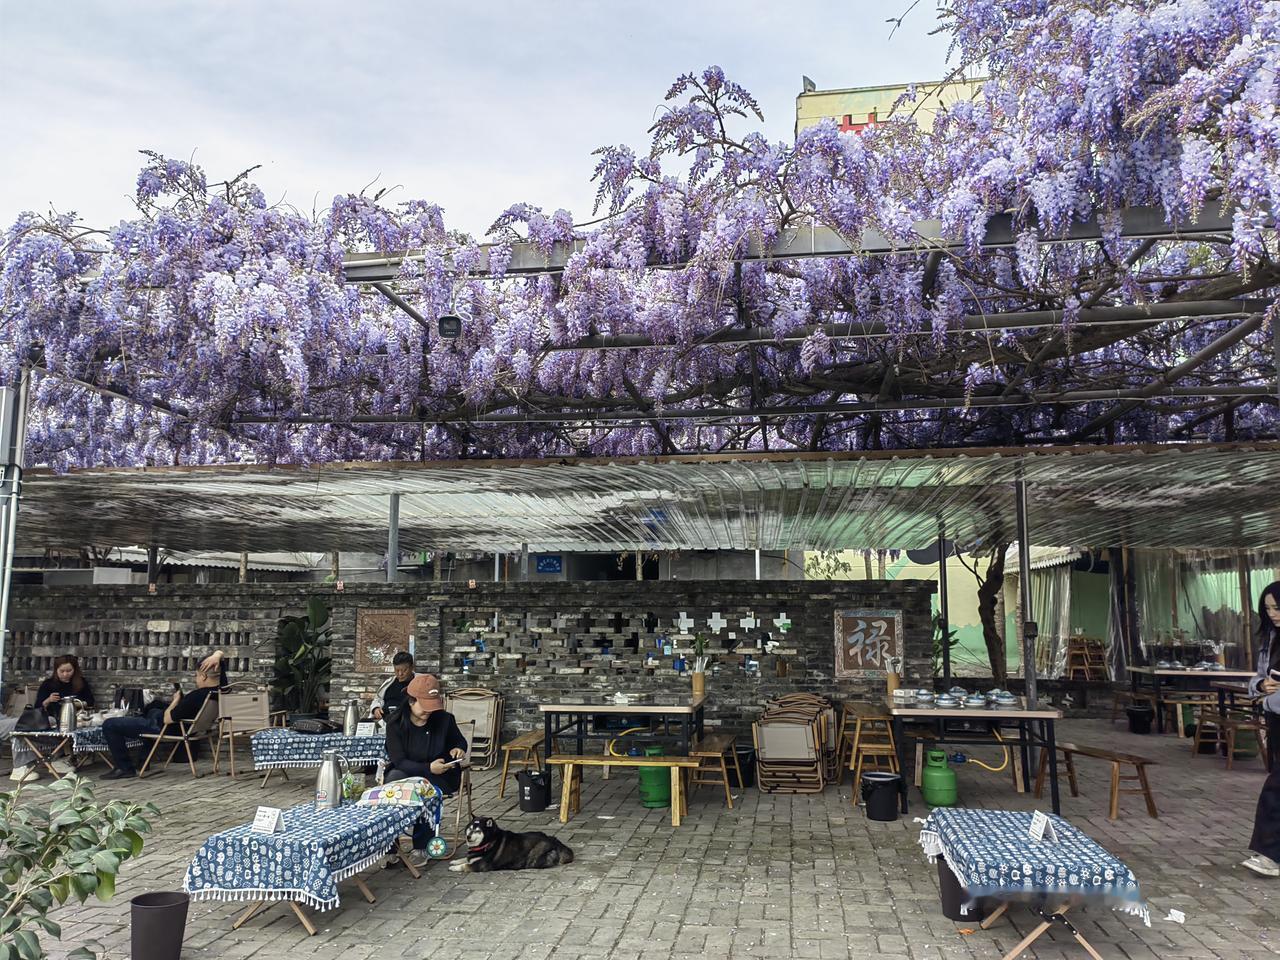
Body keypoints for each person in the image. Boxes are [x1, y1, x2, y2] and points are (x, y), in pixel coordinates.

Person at [100, 651, 227, 780]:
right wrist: (217, 656)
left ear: (203, 676)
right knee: (153, 707)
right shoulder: (221, 691)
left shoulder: (195, 696)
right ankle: (143, 761)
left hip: (163, 727)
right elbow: (221, 664)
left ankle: (124, 768)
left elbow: (167, 719)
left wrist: (175, 701)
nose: (196, 679)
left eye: (196, 676)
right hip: (190, 727)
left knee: (110, 724)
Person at [384, 674, 467, 865]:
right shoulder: (395, 724)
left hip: (440, 776)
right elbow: (399, 760)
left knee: (423, 788)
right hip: (407, 771)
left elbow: (459, 741)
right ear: (411, 701)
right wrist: (428, 767)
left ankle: (421, 846)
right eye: (424, 706)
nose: (428, 712)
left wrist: (458, 748)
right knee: (392, 784)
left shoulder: (445, 719)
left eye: (432, 706)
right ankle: (390, 846)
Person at [2, 655, 95, 782]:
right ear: (56, 670)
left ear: (75, 670)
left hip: (76, 717)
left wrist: (75, 703)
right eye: (62, 671)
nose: (65, 674)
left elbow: (90, 702)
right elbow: (38, 708)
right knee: (23, 727)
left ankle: (60, 759)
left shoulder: (80, 683)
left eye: (69, 671)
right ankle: (23, 766)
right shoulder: (48, 684)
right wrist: (48, 700)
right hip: (51, 718)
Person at [1244, 581, 1280, 877]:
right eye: (1267, 609)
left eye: (1277, 608)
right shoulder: (1269, 637)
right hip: (1275, 717)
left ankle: (1270, 854)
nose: (1273, 614)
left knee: (1276, 785)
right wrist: (1260, 686)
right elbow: (1257, 677)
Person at [371, 652, 416, 721]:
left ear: (412, 667)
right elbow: (377, 699)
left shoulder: (420, 682)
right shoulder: (389, 683)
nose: (400, 674)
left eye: (404, 670)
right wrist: (375, 708)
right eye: (397, 670)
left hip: (409, 720)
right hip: (386, 720)